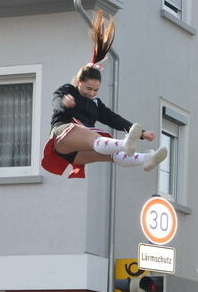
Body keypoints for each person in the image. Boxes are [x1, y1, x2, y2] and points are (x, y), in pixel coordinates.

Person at [43, 11, 166, 178]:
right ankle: (124, 143)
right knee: (94, 137)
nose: (91, 93)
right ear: (79, 82)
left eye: (95, 90)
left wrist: (141, 132)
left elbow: (113, 118)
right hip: (62, 138)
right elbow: (56, 100)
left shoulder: (95, 104)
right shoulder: (68, 90)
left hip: (77, 153)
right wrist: (64, 102)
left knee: (113, 155)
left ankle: (147, 158)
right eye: (87, 89)